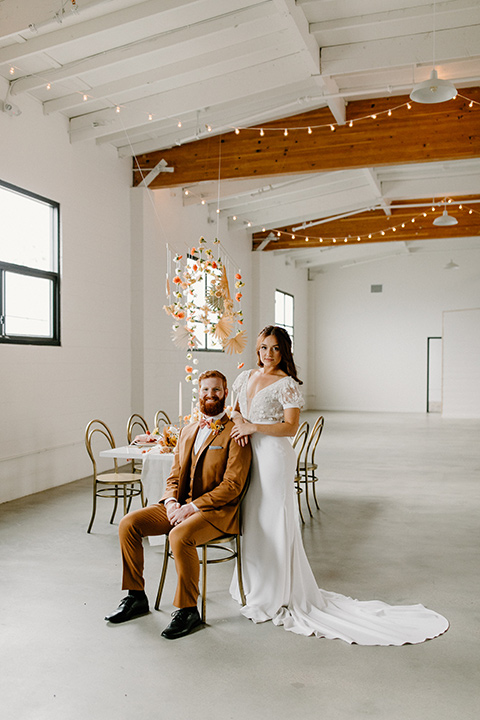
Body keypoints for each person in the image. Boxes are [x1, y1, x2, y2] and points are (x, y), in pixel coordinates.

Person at [229, 325, 449, 645]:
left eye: (275, 348)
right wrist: (241, 424)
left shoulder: (286, 384)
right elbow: (233, 411)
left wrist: (252, 426)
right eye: (263, 347)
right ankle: (252, 583)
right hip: (249, 456)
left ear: (284, 351)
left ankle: (276, 590)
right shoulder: (244, 377)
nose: (268, 354)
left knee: (274, 519)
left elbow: (290, 428)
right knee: (254, 518)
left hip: (275, 458)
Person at [105, 370, 251, 639]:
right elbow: (173, 475)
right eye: (205, 390)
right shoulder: (187, 430)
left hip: (216, 512)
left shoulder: (235, 433)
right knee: (129, 524)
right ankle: (136, 596)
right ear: (199, 394)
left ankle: (188, 610)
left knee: (179, 535)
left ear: (226, 393)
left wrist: (192, 508)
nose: (210, 395)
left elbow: (232, 486)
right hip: (180, 504)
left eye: (216, 390)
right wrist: (172, 502)